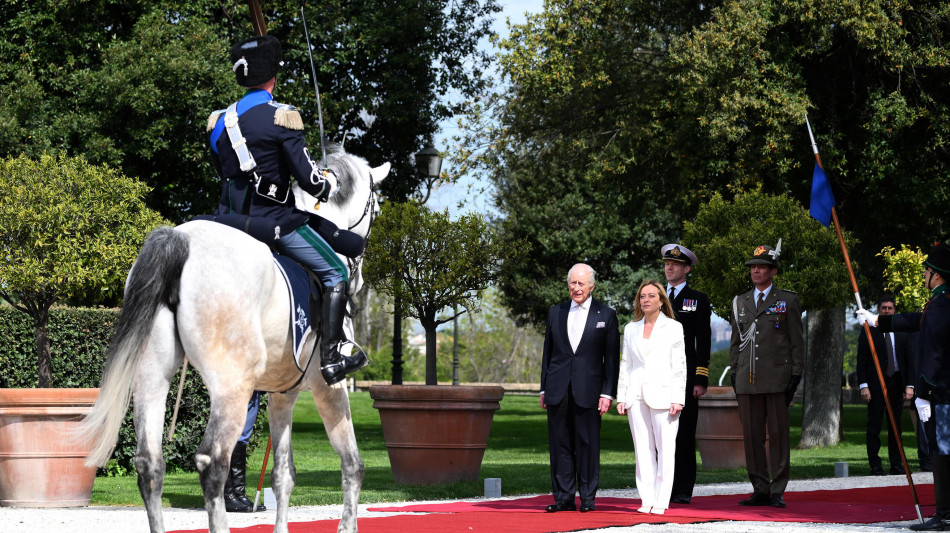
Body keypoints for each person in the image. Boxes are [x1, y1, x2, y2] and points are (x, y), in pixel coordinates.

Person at [206, 35, 364, 385]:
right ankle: (332, 359)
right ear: (273, 78)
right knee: (337, 271)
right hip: (274, 222)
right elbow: (310, 182)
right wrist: (330, 181)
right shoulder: (282, 117)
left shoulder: (217, 123)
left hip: (227, 222)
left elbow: (224, 174)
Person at [858, 240, 950, 531]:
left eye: (926, 271)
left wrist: (923, 392)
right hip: (942, 390)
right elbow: (916, 320)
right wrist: (878, 321)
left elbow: (934, 353)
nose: (924, 275)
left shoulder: (941, 304)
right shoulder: (940, 301)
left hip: (941, 392)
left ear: (936, 274)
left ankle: (945, 514)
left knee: (941, 451)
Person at [540, 264, 620, 513]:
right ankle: (563, 498)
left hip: (590, 391)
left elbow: (611, 359)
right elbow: (548, 353)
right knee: (560, 445)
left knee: (587, 445)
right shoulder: (555, 312)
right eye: (572, 283)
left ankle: (587, 498)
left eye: (581, 283)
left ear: (592, 286)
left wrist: (607, 392)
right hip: (557, 389)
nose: (576, 288)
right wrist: (543, 388)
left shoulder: (606, 315)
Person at [729, 243, 804, 509]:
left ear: (773, 271)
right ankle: (760, 488)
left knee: (779, 436)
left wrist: (796, 374)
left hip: (777, 379)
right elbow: (736, 342)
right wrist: (734, 371)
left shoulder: (788, 301)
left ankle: (778, 489)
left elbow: (796, 342)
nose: (756, 271)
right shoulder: (740, 302)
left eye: (761, 267)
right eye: (753, 267)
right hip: (747, 379)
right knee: (752, 438)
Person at [616, 280, 686, 515]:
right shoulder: (631, 328)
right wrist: (621, 396)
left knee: (665, 450)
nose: (645, 300)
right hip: (635, 395)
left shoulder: (674, 327)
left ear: (661, 301)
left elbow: (679, 366)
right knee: (642, 450)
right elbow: (626, 364)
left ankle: (661, 500)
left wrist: (678, 398)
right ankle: (646, 498)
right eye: (642, 296)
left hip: (665, 395)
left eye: (651, 296)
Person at [660, 244, 712, 504]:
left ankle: (682, 489)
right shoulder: (655, 297)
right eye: (667, 264)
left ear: (687, 269)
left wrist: (700, 378)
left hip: (686, 376)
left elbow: (703, 340)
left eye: (675, 264)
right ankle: (664, 487)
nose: (669, 268)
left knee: (684, 434)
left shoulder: (697, 299)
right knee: (660, 434)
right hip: (659, 376)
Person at [856, 294, 914, 476]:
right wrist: (863, 385)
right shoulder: (869, 329)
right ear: (878, 309)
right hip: (875, 383)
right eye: (884, 308)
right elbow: (862, 359)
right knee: (874, 425)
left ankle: (896, 464)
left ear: (894, 310)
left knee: (896, 426)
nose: (887, 311)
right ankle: (875, 465)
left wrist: (909, 385)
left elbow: (908, 359)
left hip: (896, 382)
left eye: (890, 308)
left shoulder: (901, 330)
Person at [225, 391, 266, 512]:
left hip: (254, 387)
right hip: (235, 386)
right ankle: (227, 496)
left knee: (242, 437)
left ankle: (239, 494)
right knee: (229, 436)